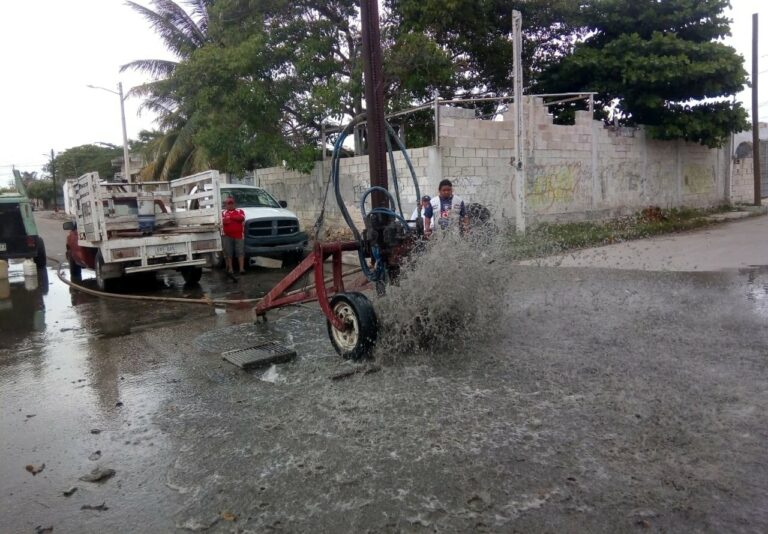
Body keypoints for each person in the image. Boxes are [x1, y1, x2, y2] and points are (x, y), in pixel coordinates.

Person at [221, 196, 246, 277]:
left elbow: (241, 218)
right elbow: (223, 221)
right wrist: (232, 219)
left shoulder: (240, 211)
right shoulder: (223, 212)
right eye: (229, 203)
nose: (230, 205)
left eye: (232, 203)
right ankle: (230, 269)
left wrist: (231, 217)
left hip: (239, 235)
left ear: (234, 204)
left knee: (240, 252)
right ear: (226, 205)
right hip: (226, 235)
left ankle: (241, 269)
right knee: (228, 253)